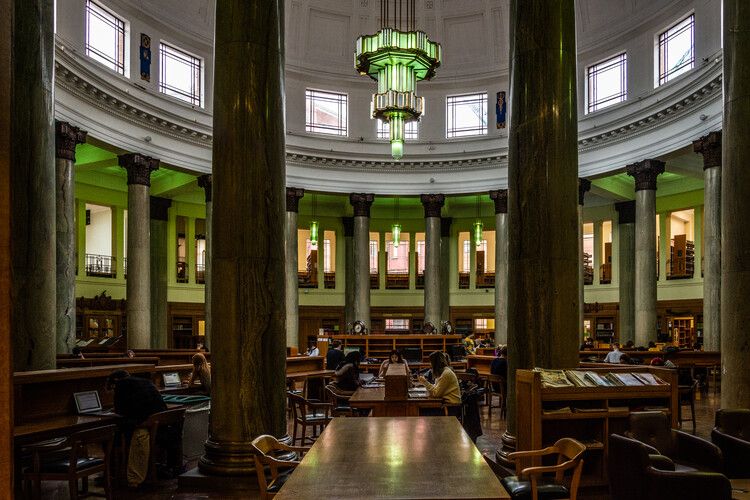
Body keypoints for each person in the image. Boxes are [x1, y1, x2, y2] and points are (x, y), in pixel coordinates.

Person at [106, 370, 174, 488]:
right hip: (161, 428)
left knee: (110, 436)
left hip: (144, 426)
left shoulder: (121, 385)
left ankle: (112, 474)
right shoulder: (145, 382)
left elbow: (121, 412)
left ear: (115, 382)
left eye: (112, 388)